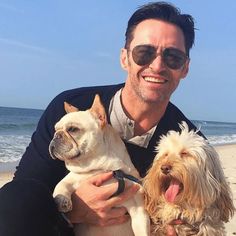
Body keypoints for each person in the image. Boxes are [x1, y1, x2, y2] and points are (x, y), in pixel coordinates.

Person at [0, 2, 201, 236]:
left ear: (185, 68)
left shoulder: (188, 142)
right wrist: (73, 212)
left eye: (173, 57)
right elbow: (23, 197)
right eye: (144, 53)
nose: (157, 66)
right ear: (124, 58)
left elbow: (199, 209)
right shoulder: (69, 109)